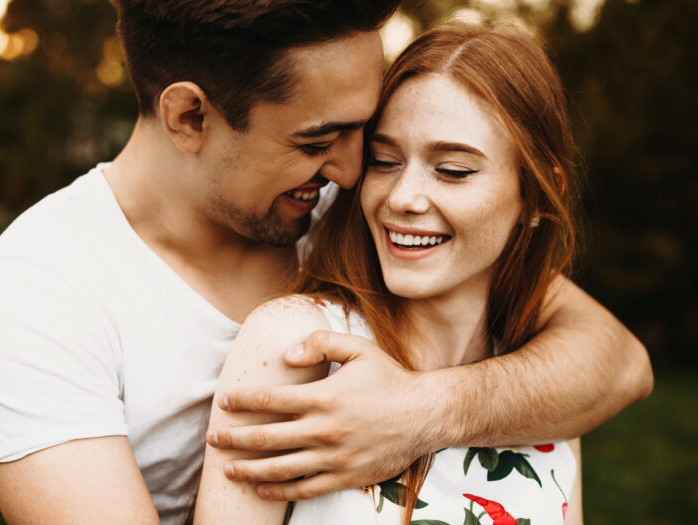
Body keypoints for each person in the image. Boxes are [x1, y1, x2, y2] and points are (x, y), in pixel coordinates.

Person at [0, 2, 651, 524]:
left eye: (364, 135)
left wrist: (424, 411)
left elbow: (615, 360)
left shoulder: (345, 211)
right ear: (190, 117)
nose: (355, 173)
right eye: (320, 138)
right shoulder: (38, 289)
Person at [196, 21, 600, 525]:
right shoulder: (299, 345)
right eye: (384, 161)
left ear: (537, 196)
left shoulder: (547, 380)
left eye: (453, 170)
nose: (402, 198)